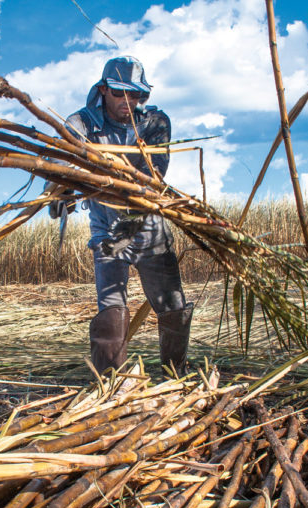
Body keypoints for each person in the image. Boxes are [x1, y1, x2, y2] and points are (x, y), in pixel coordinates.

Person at [49, 56, 193, 376]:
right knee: (111, 308)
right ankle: (110, 381)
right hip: (107, 230)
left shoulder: (155, 123)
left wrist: (100, 177)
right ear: (103, 89)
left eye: (136, 95)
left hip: (147, 227)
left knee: (172, 304)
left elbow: (150, 175)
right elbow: (61, 157)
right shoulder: (82, 123)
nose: (128, 101)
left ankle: (175, 374)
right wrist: (59, 189)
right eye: (119, 93)